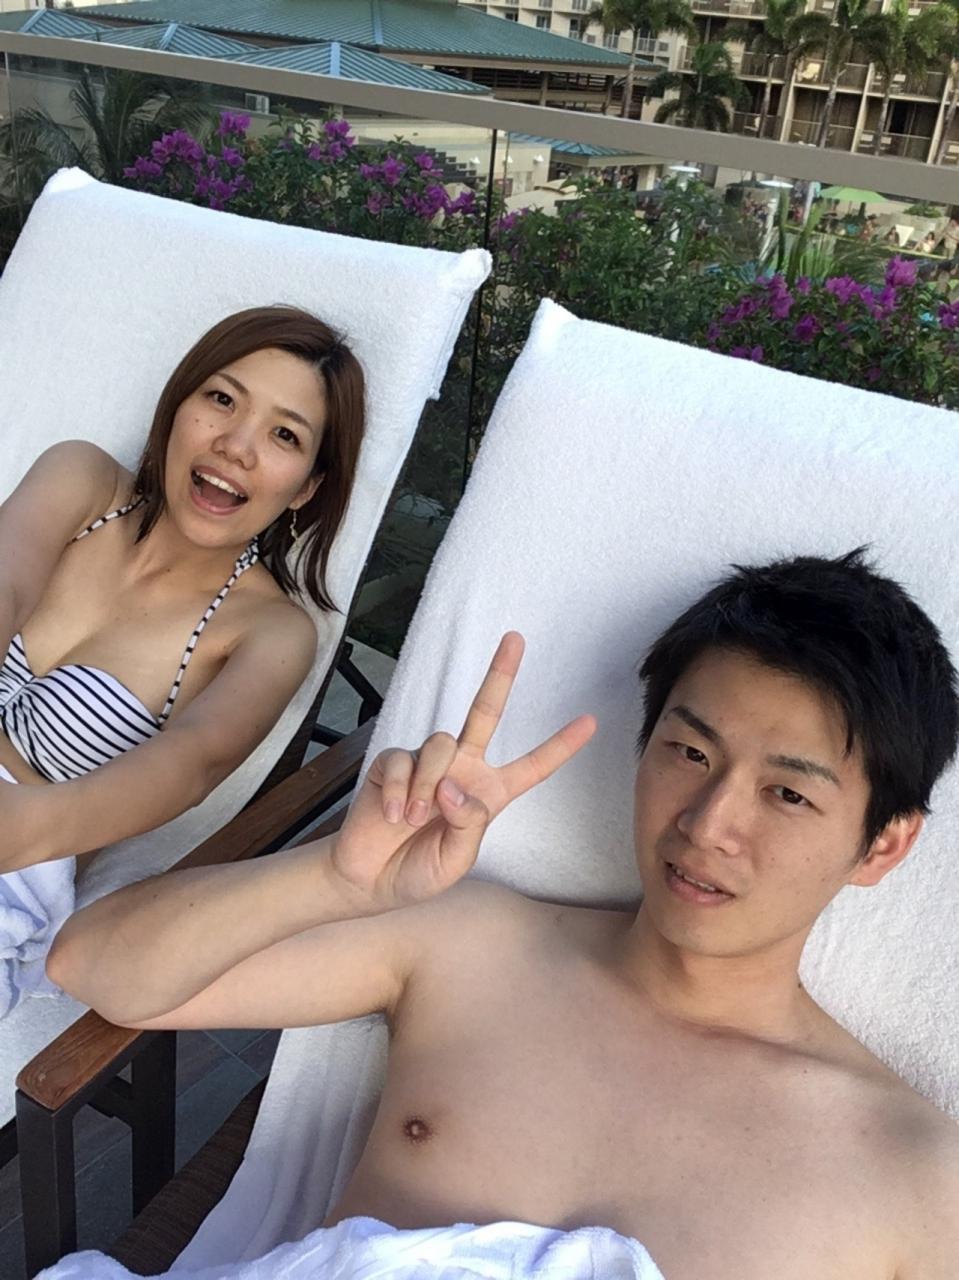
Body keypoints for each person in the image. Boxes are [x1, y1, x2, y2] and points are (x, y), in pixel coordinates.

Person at [48, 550, 959, 1279]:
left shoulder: (912, 1176)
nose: (706, 823)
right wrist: (333, 880)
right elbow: (94, 966)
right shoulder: (470, 944)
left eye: (787, 794)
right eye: (688, 751)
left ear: (882, 846)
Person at [0, 304, 364, 1014]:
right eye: (222, 399)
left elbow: (191, 763)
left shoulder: (271, 633)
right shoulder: (80, 478)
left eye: (284, 434)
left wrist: (24, 829)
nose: (236, 445)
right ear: (177, 406)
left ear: (307, 486)